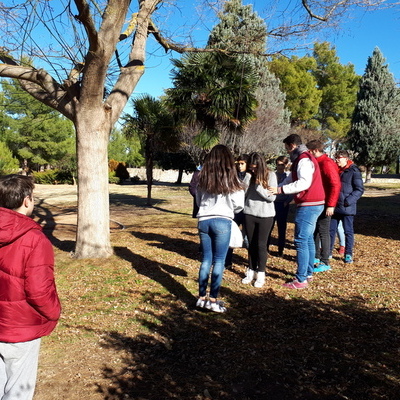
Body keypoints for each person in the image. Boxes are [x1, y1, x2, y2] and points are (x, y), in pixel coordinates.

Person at [0, 174, 61, 400]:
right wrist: (54, 312)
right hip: (21, 328)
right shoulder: (35, 240)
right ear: (27, 200)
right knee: (18, 393)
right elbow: (39, 291)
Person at [269, 134, 325, 289]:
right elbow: (292, 179)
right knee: (307, 239)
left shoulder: (303, 159)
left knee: (300, 240)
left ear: (292, 145)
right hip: (314, 202)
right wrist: (278, 186)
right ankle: (307, 273)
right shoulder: (301, 159)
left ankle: (301, 279)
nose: (286, 152)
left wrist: (280, 190)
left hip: (309, 204)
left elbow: (303, 183)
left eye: (287, 148)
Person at [195, 145, 244, 312]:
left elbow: (198, 200)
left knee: (206, 259)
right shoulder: (232, 179)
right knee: (219, 261)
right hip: (223, 221)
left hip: (204, 220)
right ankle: (214, 301)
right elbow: (239, 205)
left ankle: (201, 298)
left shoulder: (203, 178)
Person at [242, 153, 277, 288]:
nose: (253, 170)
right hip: (249, 212)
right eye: (251, 168)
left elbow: (271, 197)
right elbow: (242, 192)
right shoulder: (249, 175)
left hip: (266, 215)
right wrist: (248, 177)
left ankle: (261, 273)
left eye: (255, 168)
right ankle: (251, 270)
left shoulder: (271, 175)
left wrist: (258, 186)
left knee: (261, 245)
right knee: (250, 244)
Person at [307, 140, 341, 273]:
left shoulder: (326, 163)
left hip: (326, 203)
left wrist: (331, 205)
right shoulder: (316, 162)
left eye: (309, 152)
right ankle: (316, 256)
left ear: (315, 150)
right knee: (315, 230)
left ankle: (325, 261)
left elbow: (335, 184)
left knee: (323, 231)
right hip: (318, 201)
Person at [330, 150, 364, 264]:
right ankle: (328, 253)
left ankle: (348, 254)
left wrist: (348, 201)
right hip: (334, 206)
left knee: (348, 231)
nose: (337, 160)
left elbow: (359, 189)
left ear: (346, 158)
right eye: (336, 158)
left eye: (339, 158)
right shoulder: (335, 170)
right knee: (331, 230)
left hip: (347, 207)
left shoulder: (354, 171)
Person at [225, 154, 251, 269]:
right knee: (230, 236)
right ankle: (227, 262)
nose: (240, 166)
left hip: (248, 210)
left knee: (249, 238)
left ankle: (250, 264)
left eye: (242, 164)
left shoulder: (251, 176)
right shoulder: (233, 176)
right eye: (238, 163)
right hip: (235, 210)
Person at [267, 156, 292, 256]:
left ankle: (280, 250)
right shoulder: (272, 175)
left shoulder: (288, 176)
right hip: (273, 203)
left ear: (285, 165)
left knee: (282, 228)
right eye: (278, 164)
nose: (280, 167)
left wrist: (287, 201)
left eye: (282, 165)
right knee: (269, 227)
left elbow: (291, 189)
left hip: (283, 204)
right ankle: (266, 248)